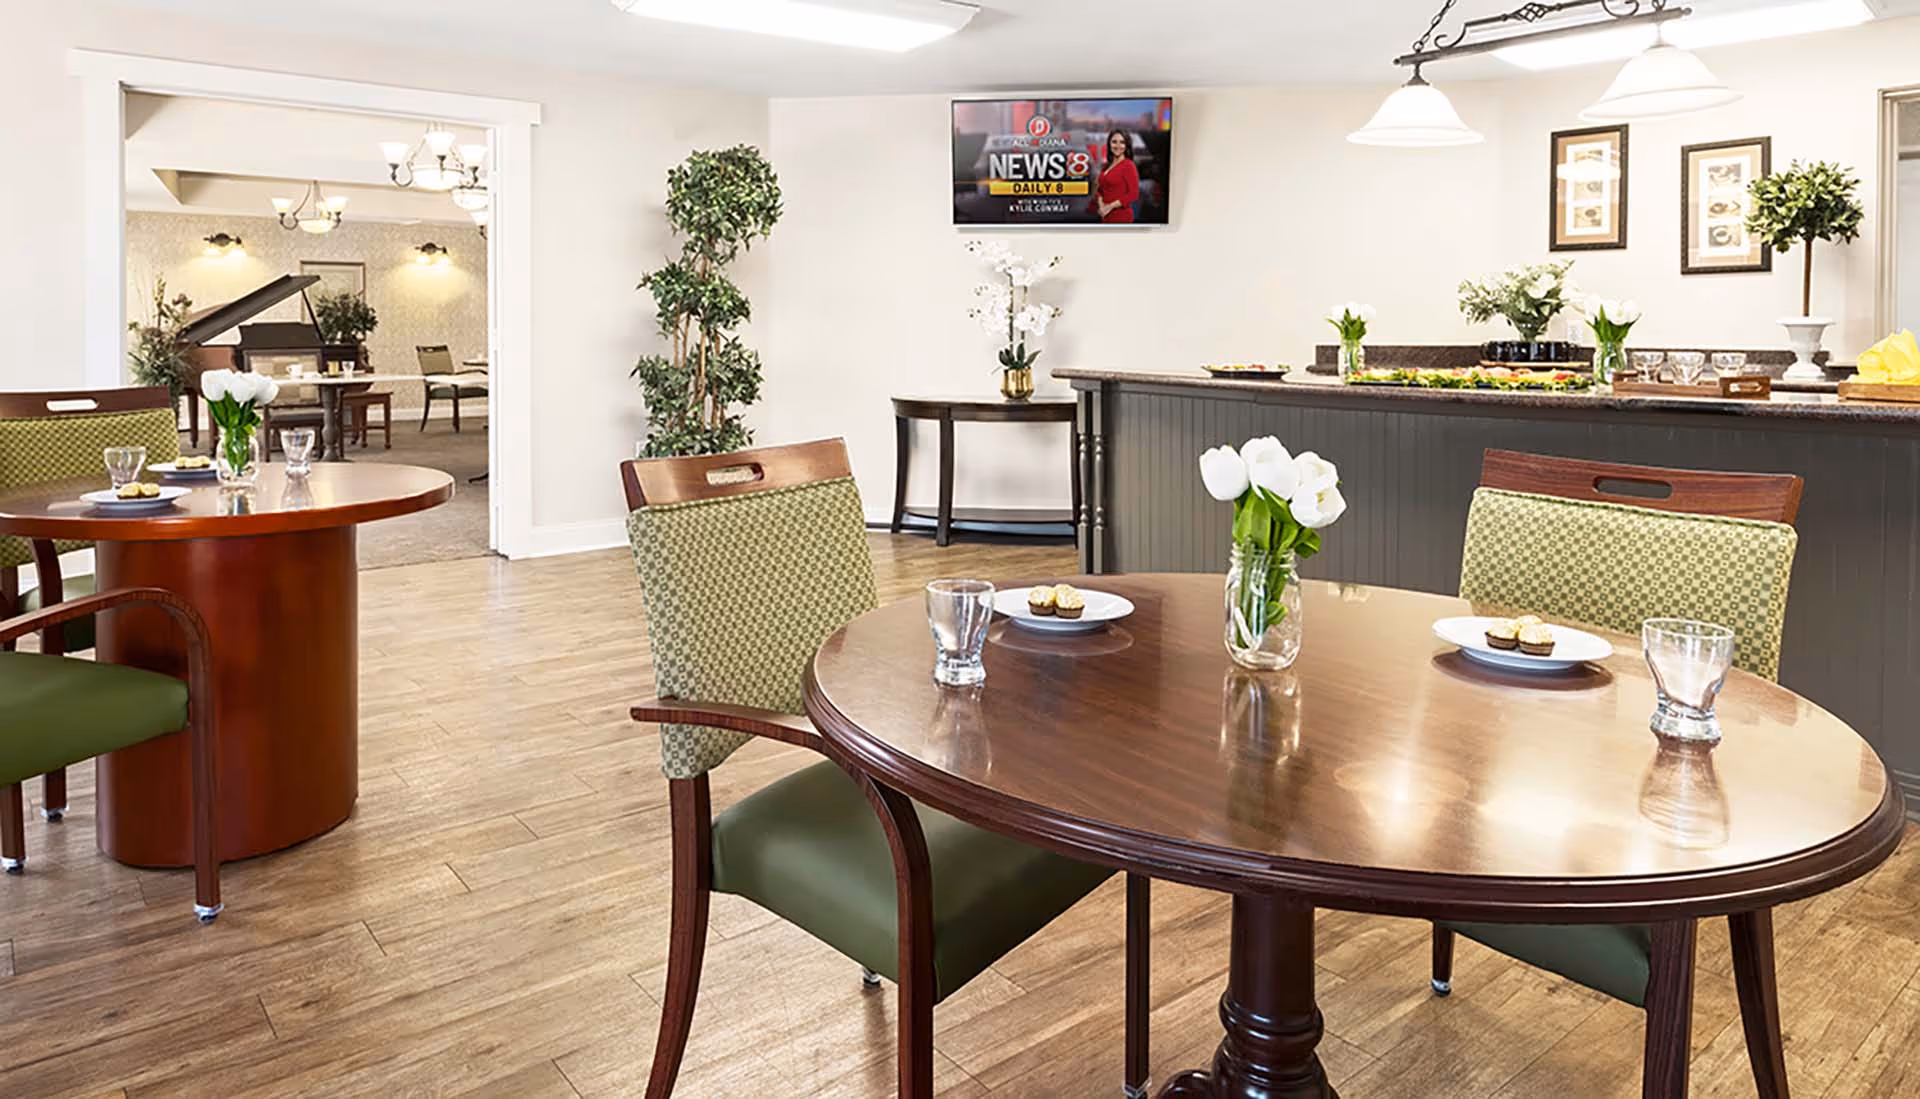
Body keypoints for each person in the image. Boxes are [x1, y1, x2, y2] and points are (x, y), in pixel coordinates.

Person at [1093, 130, 1139, 224]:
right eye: (1114, 142)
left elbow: (1133, 194)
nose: (1118, 146)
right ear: (1109, 144)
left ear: (1126, 145)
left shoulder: (1128, 165)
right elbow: (1100, 190)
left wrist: (1110, 206)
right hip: (1105, 216)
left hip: (1121, 217)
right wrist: (1102, 206)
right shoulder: (1106, 165)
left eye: (1122, 142)